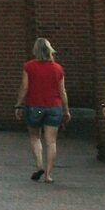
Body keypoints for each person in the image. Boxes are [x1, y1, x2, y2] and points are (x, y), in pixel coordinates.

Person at [18, 37, 69, 181]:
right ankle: (48, 175)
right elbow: (62, 91)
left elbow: (25, 87)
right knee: (51, 141)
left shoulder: (28, 66)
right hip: (54, 106)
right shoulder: (58, 68)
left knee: (35, 137)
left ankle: (39, 164)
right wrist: (66, 109)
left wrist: (18, 104)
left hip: (34, 105)